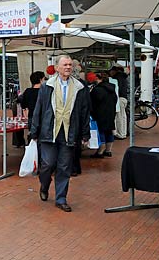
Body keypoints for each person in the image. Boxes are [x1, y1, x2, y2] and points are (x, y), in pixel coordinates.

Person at [29, 55, 91, 213]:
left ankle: (61, 198)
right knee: (47, 164)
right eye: (65, 65)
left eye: (70, 65)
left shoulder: (80, 87)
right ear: (57, 68)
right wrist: (34, 130)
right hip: (49, 131)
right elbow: (39, 109)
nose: (68, 67)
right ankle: (44, 185)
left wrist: (85, 133)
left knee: (64, 167)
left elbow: (85, 111)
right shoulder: (47, 86)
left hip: (69, 132)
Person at [89, 71, 118, 158]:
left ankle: (100, 151)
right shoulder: (112, 89)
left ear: (98, 78)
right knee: (109, 131)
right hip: (110, 113)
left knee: (100, 132)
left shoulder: (97, 90)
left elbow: (92, 102)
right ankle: (108, 150)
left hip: (100, 114)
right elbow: (115, 100)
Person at [109, 65, 128, 140]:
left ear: (114, 71)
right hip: (124, 98)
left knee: (119, 117)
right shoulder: (124, 77)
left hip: (119, 98)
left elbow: (117, 89)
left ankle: (120, 134)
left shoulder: (117, 78)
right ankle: (123, 133)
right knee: (123, 117)